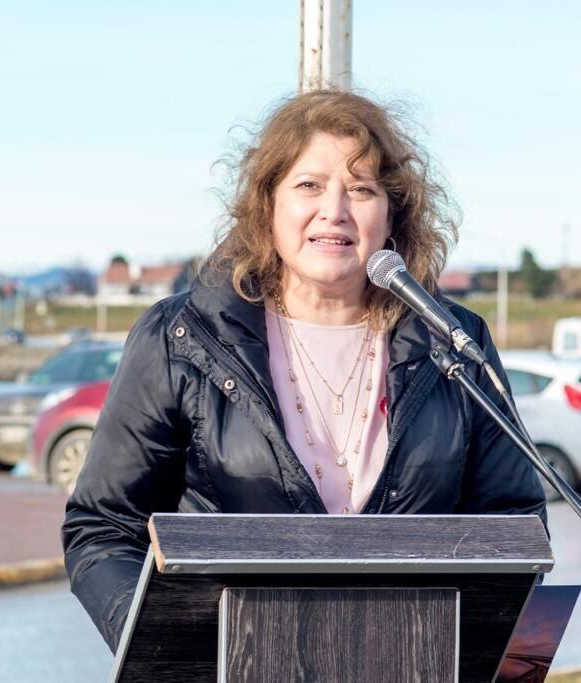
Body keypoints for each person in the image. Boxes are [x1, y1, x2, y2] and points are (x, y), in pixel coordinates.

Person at [62, 90, 546, 652]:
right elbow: (102, 528)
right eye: (308, 185)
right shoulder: (181, 339)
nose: (334, 210)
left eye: (361, 189)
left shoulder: (454, 341)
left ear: (393, 215)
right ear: (267, 205)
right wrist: (166, 644)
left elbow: (513, 525)